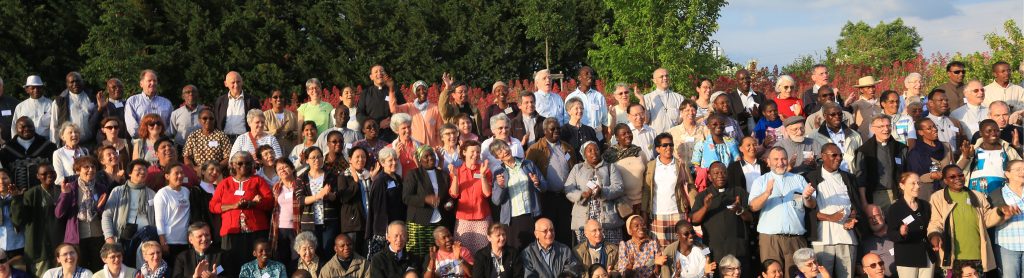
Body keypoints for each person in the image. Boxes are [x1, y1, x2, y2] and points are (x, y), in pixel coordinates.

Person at [927, 165, 1019, 274]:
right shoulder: (937, 197)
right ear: (945, 181)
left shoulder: (978, 196)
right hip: (952, 257)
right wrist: (934, 235)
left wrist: (1000, 212)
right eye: (952, 176)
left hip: (977, 255)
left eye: (961, 175)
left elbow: (987, 220)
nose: (958, 178)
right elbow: (935, 221)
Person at [749, 147, 817, 278]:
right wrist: (767, 193)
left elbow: (812, 204)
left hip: (796, 239)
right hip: (770, 240)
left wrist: (807, 197)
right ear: (768, 162)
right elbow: (752, 207)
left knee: (796, 275)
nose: (780, 162)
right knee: (773, 275)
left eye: (783, 158)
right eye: (776, 159)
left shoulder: (799, 179)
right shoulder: (760, 181)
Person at [209, 151, 273, 274]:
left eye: (248, 163)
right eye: (239, 163)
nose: (244, 165)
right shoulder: (224, 183)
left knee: (256, 264)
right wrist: (233, 206)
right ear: (232, 165)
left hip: (255, 231)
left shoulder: (257, 181)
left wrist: (252, 204)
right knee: (231, 264)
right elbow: (213, 206)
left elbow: (270, 202)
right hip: (231, 231)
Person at [806, 143, 862, 278]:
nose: (838, 158)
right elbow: (806, 209)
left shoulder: (849, 177)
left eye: (840, 155)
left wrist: (853, 218)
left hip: (847, 237)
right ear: (823, 156)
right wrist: (829, 217)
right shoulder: (810, 177)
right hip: (822, 238)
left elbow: (856, 206)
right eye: (834, 155)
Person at [690, 161, 753, 270]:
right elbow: (694, 220)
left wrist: (740, 210)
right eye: (716, 173)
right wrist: (705, 207)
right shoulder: (703, 196)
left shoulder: (738, 192)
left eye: (723, 172)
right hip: (714, 251)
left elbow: (751, 218)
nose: (720, 176)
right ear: (709, 176)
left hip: (738, 249)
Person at [524, 118, 576, 246]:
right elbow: (528, 171)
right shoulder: (535, 149)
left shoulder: (567, 148)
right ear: (545, 131)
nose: (556, 131)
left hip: (565, 197)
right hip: (546, 198)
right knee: (549, 232)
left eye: (558, 128)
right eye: (552, 129)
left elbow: (574, 167)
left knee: (565, 232)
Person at [56, 156, 111, 270]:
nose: (90, 170)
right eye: (86, 167)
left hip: (98, 235)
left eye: (93, 167)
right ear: (78, 170)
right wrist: (65, 194)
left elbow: (106, 213)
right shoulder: (70, 187)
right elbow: (59, 213)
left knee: (98, 268)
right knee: (80, 269)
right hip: (77, 238)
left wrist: (99, 208)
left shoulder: (101, 188)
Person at [493, 137, 547, 249]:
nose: (505, 151)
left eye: (505, 147)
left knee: (534, 250)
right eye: (500, 152)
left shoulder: (528, 164)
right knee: (516, 251)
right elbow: (496, 201)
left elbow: (544, 186)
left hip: (531, 214)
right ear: (497, 157)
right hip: (512, 219)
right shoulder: (499, 173)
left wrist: (537, 183)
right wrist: (501, 186)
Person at [566, 141, 624, 243]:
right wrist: (581, 194)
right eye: (590, 150)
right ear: (584, 154)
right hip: (583, 217)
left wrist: (602, 191)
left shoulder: (610, 167)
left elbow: (618, 187)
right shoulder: (577, 168)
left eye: (596, 149)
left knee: (611, 249)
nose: (594, 152)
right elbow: (568, 189)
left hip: (607, 217)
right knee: (586, 252)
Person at [102, 159, 156, 266]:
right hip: (122, 237)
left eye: (145, 170)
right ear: (130, 173)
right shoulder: (118, 191)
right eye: (139, 169)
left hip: (145, 240)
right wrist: (109, 238)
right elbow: (107, 215)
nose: (142, 172)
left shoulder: (152, 194)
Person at [403, 145, 454, 256]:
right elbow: (406, 197)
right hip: (419, 221)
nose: (430, 158)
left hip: (440, 220)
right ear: (420, 159)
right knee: (419, 255)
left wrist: (449, 203)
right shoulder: (414, 174)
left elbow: (447, 197)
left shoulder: (443, 175)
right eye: (426, 156)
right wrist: (425, 199)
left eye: (432, 154)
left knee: (439, 253)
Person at [11, 164, 61, 276]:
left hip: (60, 248)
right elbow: (18, 221)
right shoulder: (31, 194)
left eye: (52, 172)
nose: (49, 175)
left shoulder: (62, 191)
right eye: (44, 174)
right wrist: (17, 200)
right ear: (38, 176)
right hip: (40, 250)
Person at [643, 133, 692, 248]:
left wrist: (693, 208)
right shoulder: (650, 166)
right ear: (657, 149)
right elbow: (646, 190)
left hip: (678, 213)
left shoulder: (681, 165)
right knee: (661, 251)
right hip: (657, 214)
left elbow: (690, 187)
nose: (668, 148)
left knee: (681, 248)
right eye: (664, 145)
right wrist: (644, 212)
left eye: (671, 144)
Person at [885, 173, 935, 278]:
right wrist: (901, 233)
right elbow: (891, 233)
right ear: (902, 186)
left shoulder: (925, 205)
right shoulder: (895, 208)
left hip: (926, 254)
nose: (917, 186)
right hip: (907, 257)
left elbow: (931, 225)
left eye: (918, 183)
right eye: (913, 183)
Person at [855, 116, 907, 215]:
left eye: (888, 126)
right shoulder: (864, 151)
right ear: (872, 128)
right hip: (876, 196)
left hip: (899, 194)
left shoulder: (901, 148)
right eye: (881, 126)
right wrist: (864, 203)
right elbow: (861, 179)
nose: (886, 129)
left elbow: (907, 172)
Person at [449, 140, 493, 253]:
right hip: (463, 218)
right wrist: (455, 177)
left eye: (478, 152)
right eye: (472, 151)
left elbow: (487, 193)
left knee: (483, 251)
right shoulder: (457, 171)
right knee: (463, 252)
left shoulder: (485, 170)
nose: (475, 154)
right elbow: (454, 194)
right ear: (464, 152)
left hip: (482, 217)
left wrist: (483, 176)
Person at [295, 147, 340, 255]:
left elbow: (337, 196)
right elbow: (300, 200)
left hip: (329, 221)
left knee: (328, 250)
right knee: (312, 252)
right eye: (313, 158)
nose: (317, 160)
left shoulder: (331, 175)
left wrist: (329, 195)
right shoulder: (301, 178)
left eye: (319, 157)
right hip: (309, 223)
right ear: (307, 160)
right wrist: (318, 196)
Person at [963, 119, 1021, 196]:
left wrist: (1017, 147)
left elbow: (1020, 168)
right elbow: (959, 170)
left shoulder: (1008, 150)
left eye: (996, 130)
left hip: (1002, 191)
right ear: (981, 133)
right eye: (989, 131)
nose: (993, 133)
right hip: (976, 190)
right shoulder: (972, 149)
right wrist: (967, 157)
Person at [366, 147, 406, 255]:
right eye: (390, 160)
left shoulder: (397, 178)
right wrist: (385, 230)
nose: (394, 162)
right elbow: (378, 209)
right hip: (384, 230)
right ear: (382, 163)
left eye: (395, 159)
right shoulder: (379, 181)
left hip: (398, 224)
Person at [153, 163, 192, 269]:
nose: (180, 176)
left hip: (184, 240)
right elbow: (159, 219)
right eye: (176, 173)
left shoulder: (186, 191)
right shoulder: (162, 194)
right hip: (170, 241)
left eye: (182, 173)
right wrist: (163, 241)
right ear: (167, 176)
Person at [0, 117, 57, 188]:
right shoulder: (6, 150)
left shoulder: (49, 147)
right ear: (16, 129)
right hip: (17, 193)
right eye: (22, 127)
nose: (26, 129)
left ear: (34, 127)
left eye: (29, 126)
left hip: (43, 192)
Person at [991, 160, 1024, 278]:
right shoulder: (996, 194)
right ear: (1007, 174)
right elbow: (989, 221)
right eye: (1018, 169)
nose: (1023, 172)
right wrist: (1004, 214)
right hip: (1007, 246)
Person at [810, 102, 862, 173]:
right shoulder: (813, 136)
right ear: (825, 116)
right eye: (833, 114)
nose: (837, 116)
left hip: (851, 177)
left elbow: (861, 160)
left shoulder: (855, 135)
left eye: (840, 114)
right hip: (827, 178)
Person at [357, 65, 406, 141]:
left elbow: (404, 109)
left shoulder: (394, 90)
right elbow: (360, 114)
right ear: (371, 77)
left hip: (393, 134)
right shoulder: (366, 93)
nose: (379, 73)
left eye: (382, 71)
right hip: (373, 135)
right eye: (376, 72)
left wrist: (394, 122)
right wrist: (377, 124)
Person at [48, 72, 97, 146]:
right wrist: (56, 145)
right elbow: (54, 125)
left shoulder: (91, 98)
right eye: (72, 82)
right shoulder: (60, 101)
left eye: (77, 81)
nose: (75, 84)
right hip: (69, 145)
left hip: (90, 143)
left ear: (82, 81)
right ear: (67, 84)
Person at [337, 147, 370, 255]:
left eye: (363, 157)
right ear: (350, 159)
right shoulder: (344, 176)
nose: (361, 159)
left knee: (366, 255)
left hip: (367, 222)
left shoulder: (368, 176)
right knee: (353, 254)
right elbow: (344, 198)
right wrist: (355, 181)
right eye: (357, 157)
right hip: (353, 224)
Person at [269, 157, 300, 271]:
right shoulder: (276, 187)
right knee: (282, 259)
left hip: (296, 228)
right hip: (280, 229)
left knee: (296, 259)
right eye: (279, 169)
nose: (282, 170)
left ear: (292, 168)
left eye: (285, 167)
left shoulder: (300, 184)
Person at [213, 71, 261, 142]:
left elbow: (258, 121)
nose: (236, 85)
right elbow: (216, 121)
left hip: (245, 140)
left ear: (242, 82)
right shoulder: (220, 101)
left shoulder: (252, 101)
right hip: (224, 141)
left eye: (238, 82)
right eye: (233, 82)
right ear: (226, 84)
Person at [391, 80, 441, 147]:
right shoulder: (409, 107)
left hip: (431, 149)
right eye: (418, 90)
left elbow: (439, 130)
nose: (422, 92)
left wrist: (440, 146)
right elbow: (394, 109)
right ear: (415, 92)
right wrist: (391, 91)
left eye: (424, 89)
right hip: (415, 148)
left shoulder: (435, 109)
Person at [125, 70, 173, 138]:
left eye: (155, 81)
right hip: (141, 142)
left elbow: (171, 124)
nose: (152, 83)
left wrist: (161, 137)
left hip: (162, 142)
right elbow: (131, 126)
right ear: (141, 84)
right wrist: (146, 138)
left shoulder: (167, 103)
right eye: (149, 80)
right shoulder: (132, 101)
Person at [565, 66, 609, 140]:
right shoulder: (571, 97)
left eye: (591, 74)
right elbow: (566, 119)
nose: (590, 76)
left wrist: (605, 140)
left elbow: (605, 120)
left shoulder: (599, 96)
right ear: (579, 78)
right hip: (578, 139)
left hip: (597, 138)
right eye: (586, 74)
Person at [645, 68, 687, 134]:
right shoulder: (647, 98)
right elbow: (645, 121)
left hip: (675, 137)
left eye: (667, 76)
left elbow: (683, 118)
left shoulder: (679, 98)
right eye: (661, 76)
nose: (665, 78)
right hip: (655, 138)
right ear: (654, 80)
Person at [189, 162, 222, 246]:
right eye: (211, 169)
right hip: (205, 236)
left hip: (220, 234)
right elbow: (195, 215)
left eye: (218, 171)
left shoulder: (219, 189)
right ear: (203, 171)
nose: (215, 172)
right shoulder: (195, 190)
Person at [12, 75, 52, 142]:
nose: (36, 90)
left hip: (46, 143)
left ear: (42, 88)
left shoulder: (51, 104)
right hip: (25, 143)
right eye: (33, 88)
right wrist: (15, 143)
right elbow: (14, 127)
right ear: (27, 90)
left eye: (38, 87)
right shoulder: (20, 107)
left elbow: (55, 126)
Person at [668, 100, 708, 164]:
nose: (691, 113)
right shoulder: (672, 132)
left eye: (693, 110)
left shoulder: (704, 130)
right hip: (680, 169)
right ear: (681, 113)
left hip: (700, 169)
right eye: (687, 110)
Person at [860, 205, 896, 277]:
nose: (874, 220)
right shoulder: (865, 242)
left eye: (876, 216)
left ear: (883, 215)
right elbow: (858, 265)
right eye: (870, 218)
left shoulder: (897, 233)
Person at [729, 69, 766, 135]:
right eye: (742, 79)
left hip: (760, 136)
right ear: (737, 81)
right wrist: (740, 117)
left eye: (747, 78)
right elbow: (727, 119)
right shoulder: (730, 98)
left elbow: (767, 115)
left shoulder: (760, 96)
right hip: (741, 138)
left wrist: (758, 115)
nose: (745, 81)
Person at [0, 170, 24, 267]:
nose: (1, 181)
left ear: (10, 180)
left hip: (18, 243)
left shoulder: (21, 196)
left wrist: (16, 198)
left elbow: (20, 219)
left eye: (5, 178)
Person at [265, 89, 301, 154]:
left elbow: (297, 131)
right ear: (270, 100)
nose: (278, 99)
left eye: (281, 97)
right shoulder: (266, 115)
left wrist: (292, 134)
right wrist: (276, 131)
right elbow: (262, 134)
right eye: (275, 97)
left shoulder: (291, 115)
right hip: (272, 153)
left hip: (289, 151)